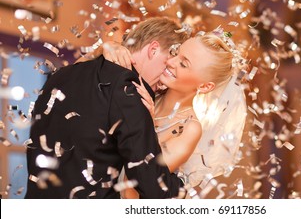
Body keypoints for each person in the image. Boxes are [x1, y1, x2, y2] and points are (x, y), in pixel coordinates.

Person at [25, 17, 189, 199]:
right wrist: (184, 186)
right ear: (153, 49)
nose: (165, 83)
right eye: (168, 65)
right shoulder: (129, 90)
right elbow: (153, 187)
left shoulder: (62, 74)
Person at [102, 30, 248, 198]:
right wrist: (110, 47)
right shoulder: (151, 87)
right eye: (176, 53)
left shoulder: (189, 129)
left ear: (205, 87)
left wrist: (144, 123)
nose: (170, 61)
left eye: (184, 64)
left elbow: (133, 186)